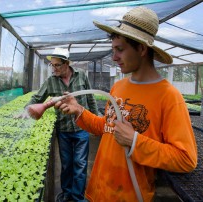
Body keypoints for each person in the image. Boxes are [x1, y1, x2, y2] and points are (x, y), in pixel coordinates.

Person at [55, 6, 198, 202]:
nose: (114, 57)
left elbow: (186, 159)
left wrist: (135, 141)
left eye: (120, 50)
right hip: (98, 192)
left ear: (141, 48)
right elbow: (105, 128)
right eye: (113, 50)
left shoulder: (169, 96)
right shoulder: (118, 87)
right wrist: (79, 111)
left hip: (130, 196)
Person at [19, 47, 99, 202]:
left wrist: (96, 121)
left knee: (81, 164)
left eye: (57, 65)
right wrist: (25, 110)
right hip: (63, 129)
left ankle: (77, 197)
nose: (53, 68)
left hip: (82, 127)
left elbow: (90, 98)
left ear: (67, 64)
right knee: (66, 164)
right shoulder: (50, 81)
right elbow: (37, 98)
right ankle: (67, 194)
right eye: (52, 65)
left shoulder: (81, 76)